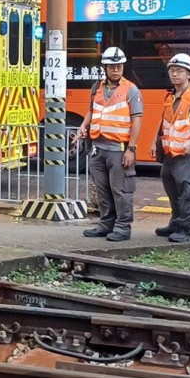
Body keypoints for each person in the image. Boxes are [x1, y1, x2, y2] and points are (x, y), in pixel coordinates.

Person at [78, 48, 143, 241]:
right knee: (103, 190)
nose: (116, 69)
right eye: (112, 66)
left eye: (119, 66)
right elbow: (92, 110)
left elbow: (137, 119)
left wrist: (131, 148)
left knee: (121, 190)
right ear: (104, 68)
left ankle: (123, 228)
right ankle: (106, 224)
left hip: (119, 149)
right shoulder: (96, 87)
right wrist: (83, 126)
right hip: (98, 148)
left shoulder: (131, 89)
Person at [151, 53, 190, 243]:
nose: (175, 74)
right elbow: (164, 121)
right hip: (170, 155)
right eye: (172, 70)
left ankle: (186, 229)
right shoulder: (170, 96)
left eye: (180, 71)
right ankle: (176, 223)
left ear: (189, 75)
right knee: (173, 193)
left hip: (188, 156)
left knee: (188, 194)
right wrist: (155, 141)